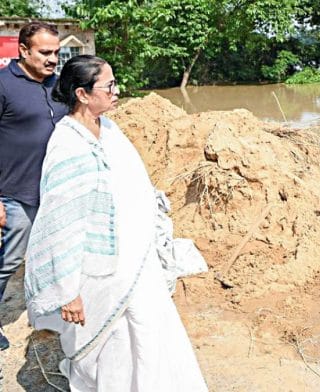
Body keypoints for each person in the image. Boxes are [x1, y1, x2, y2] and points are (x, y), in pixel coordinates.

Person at [24, 55, 208, 391]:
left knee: (150, 329)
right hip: (98, 272)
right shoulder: (67, 145)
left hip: (136, 262)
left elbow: (135, 187)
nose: (116, 90)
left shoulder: (110, 129)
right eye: (108, 85)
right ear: (82, 94)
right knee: (113, 345)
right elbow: (60, 225)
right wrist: (68, 292)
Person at [0, 21, 67, 350]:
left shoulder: (60, 85)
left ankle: (54, 316)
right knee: (9, 262)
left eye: (56, 52)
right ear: (23, 51)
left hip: (57, 191)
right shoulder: (2, 85)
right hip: (17, 193)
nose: (53, 58)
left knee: (58, 256)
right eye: (45, 52)